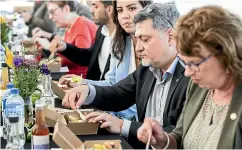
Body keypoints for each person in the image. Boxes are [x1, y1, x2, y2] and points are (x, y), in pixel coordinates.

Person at [137, 5, 242, 149]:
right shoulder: (199, 85)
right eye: (185, 63)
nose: (187, 73)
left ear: (226, 55)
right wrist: (163, 140)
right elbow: (180, 137)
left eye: (194, 63)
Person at [62, 3, 189, 149]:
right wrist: (88, 90)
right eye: (137, 39)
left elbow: (179, 134)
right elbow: (119, 93)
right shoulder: (148, 69)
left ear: (170, 37)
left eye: (145, 40)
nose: (138, 48)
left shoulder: (191, 76)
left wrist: (123, 125)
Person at [56, 0, 152, 121]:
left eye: (132, 8)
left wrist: (86, 86)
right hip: (117, 115)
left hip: (134, 121)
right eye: (120, 10)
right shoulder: (120, 41)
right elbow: (113, 84)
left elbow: (125, 94)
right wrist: (82, 84)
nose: (125, 15)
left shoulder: (155, 49)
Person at [54, 0, 115, 82]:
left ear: (109, 9)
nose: (91, 10)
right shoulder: (102, 30)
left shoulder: (121, 36)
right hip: (95, 87)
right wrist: (66, 47)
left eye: (96, 7)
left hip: (104, 90)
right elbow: (89, 57)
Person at [35, 0, 98, 78]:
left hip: (79, 81)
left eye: (52, 12)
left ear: (66, 9)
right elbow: (66, 58)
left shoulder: (82, 25)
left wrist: (49, 47)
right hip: (70, 76)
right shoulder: (70, 26)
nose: (50, 17)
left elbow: (82, 63)